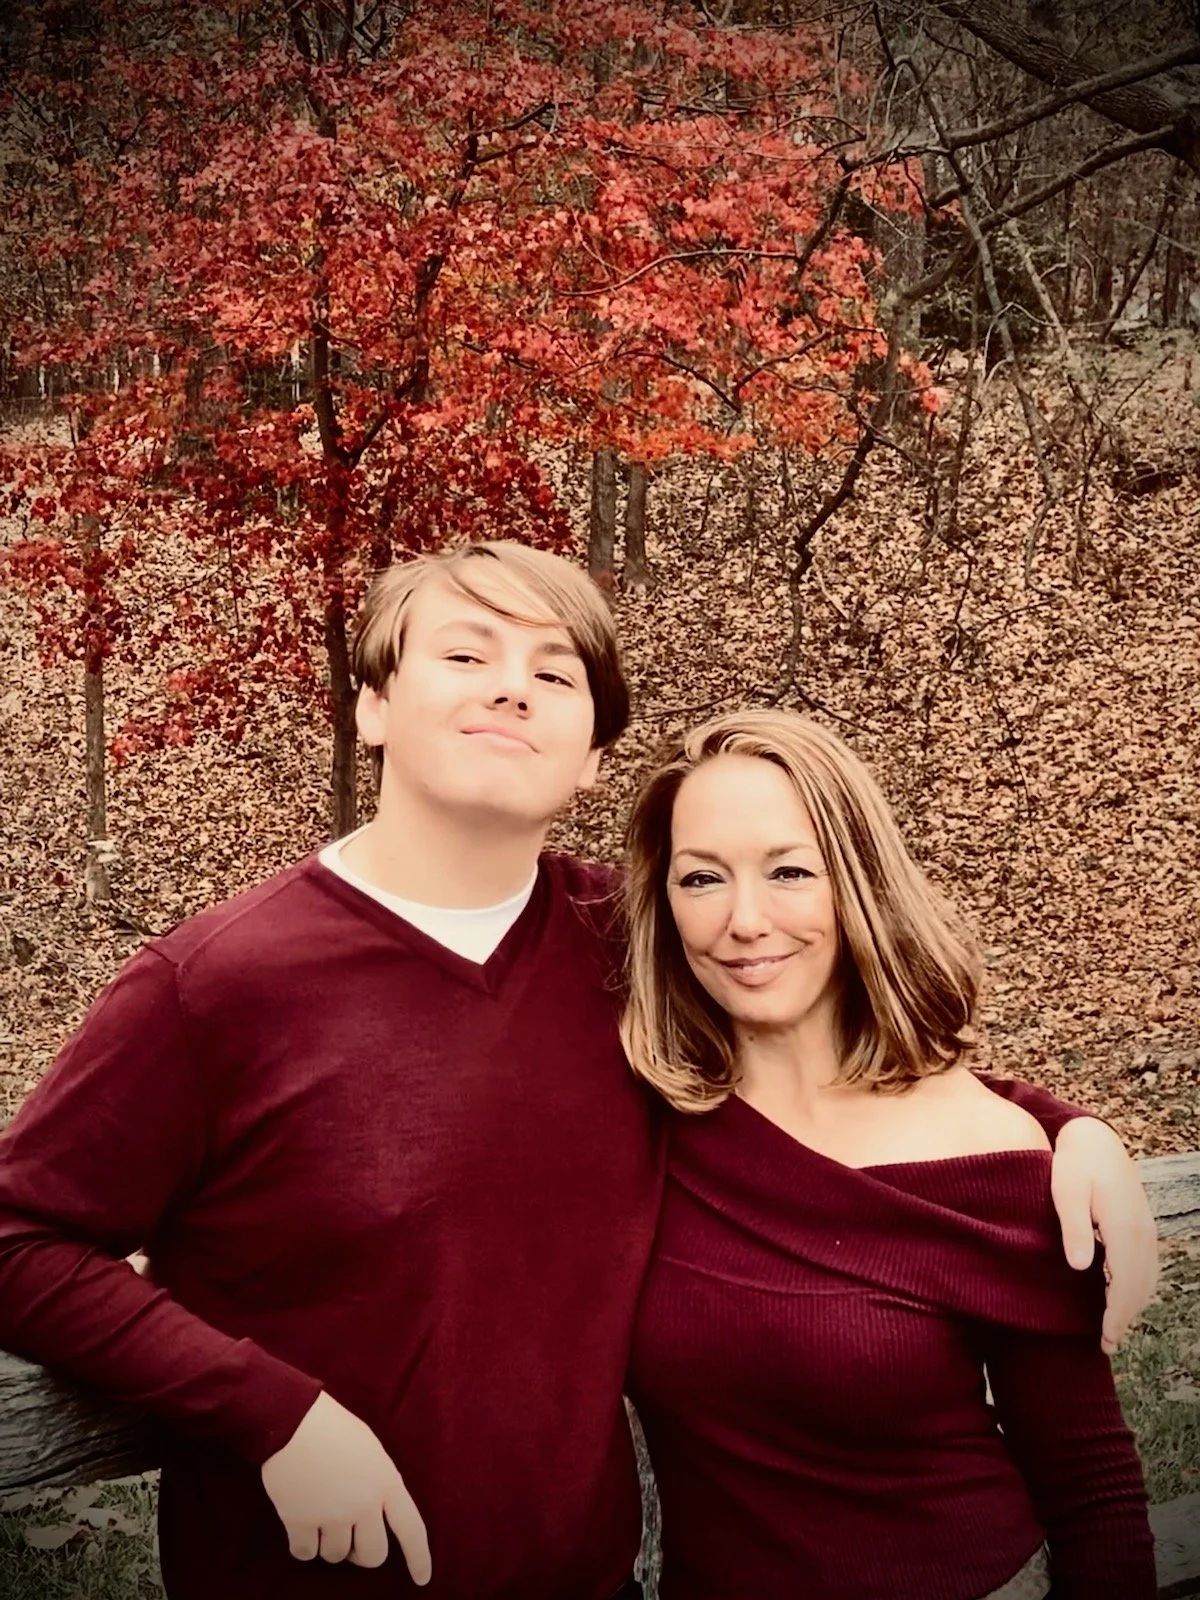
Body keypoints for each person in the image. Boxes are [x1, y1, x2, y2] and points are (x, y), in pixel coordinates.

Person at [0, 544, 1156, 1600]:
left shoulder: (636, 945)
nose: (512, 688)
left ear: (595, 751)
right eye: (466, 654)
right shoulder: (213, 984)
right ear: (372, 704)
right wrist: (273, 1410)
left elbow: (822, 1034)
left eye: (554, 673)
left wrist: (1064, 1129)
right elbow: (18, 1238)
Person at [619, 708, 1157, 1600]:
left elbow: (1092, 1487)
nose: (744, 920)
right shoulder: (641, 1121)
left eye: (790, 871)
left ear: (857, 882)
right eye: (702, 878)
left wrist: (1079, 1129)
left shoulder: (991, 1155)